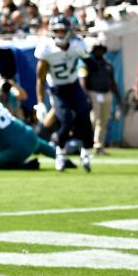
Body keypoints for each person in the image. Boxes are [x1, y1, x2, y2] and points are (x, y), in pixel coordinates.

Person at [34, 15, 92, 171]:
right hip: (57, 89)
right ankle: (59, 153)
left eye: (62, 30)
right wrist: (40, 103)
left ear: (68, 31)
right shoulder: (46, 48)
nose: (60, 33)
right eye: (57, 30)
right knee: (64, 120)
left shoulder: (77, 44)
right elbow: (40, 78)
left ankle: (85, 152)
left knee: (84, 115)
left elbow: (92, 65)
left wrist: (86, 57)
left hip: (74, 85)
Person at [82, 43, 121, 155]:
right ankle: (87, 143)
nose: (99, 52)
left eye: (101, 50)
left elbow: (112, 81)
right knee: (94, 120)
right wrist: (86, 95)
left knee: (103, 121)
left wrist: (118, 97)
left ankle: (99, 145)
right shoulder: (88, 63)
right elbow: (83, 79)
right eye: (97, 50)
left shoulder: (108, 64)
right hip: (93, 93)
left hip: (106, 93)